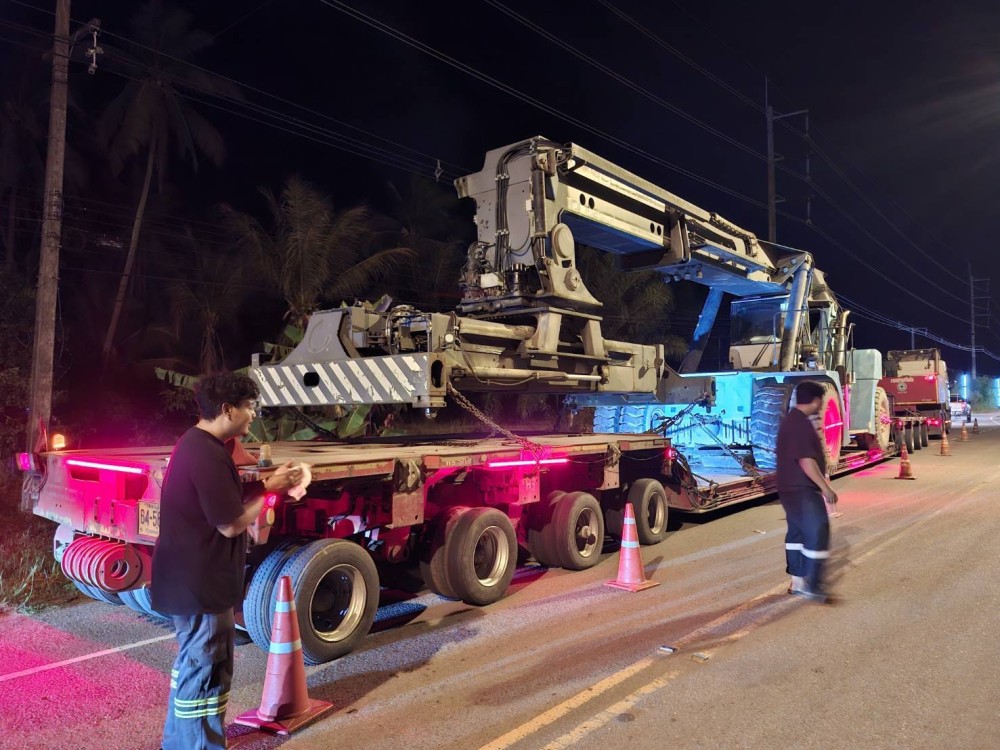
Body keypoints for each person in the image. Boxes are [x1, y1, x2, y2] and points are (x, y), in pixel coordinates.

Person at [152, 372, 304, 750]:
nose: (253, 415)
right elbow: (232, 523)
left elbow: (223, 498)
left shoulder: (197, 445)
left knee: (193, 668)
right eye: (249, 407)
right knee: (207, 673)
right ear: (227, 409)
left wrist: (267, 485)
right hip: (202, 586)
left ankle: (179, 742)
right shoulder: (206, 453)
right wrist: (271, 496)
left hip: (189, 581)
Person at [775, 380, 838, 603]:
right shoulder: (801, 424)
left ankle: (797, 581)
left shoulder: (790, 420)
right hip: (803, 490)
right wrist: (825, 488)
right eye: (820, 401)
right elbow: (806, 461)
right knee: (818, 532)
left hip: (788, 488)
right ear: (816, 400)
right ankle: (814, 585)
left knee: (797, 534)